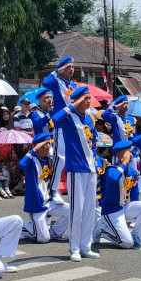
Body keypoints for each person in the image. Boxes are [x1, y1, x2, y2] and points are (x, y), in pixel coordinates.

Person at [52, 86, 98, 261]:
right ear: (77, 100)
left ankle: (86, 246)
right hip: (75, 168)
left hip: (90, 168)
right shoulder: (69, 117)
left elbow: (93, 143)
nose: (88, 101)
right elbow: (55, 119)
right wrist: (72, 105)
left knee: (89, 209)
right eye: (85, 98)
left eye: (89, 98)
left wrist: (95, 162)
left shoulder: (91, 119)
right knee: (76, 209)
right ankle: (74, 248)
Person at [94, 140, 141, 249]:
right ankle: (101, 228)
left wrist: (135, 216)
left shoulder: (133, 172)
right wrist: (124, 163)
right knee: (127, 243)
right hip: (110, 211)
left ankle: (137, 236)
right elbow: (113, 179)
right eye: (127, 152)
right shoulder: (111, 169)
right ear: (119, 154)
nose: (131, 154)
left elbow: (135, 197)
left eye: (131, 151)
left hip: (123, 207)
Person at [19, 133, 69, 243]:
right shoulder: (31, 160)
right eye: (45, 144)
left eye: (49, 143)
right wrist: (33, 149)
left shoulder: (49, 159)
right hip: (37, 205)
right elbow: (21, 165)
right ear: (38, 146)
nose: (48, 146)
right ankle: (20, 225)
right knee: (43, 239)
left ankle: (54, 233)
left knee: (71, 211)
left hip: (50, 202)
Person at [42, 57, 77, 209]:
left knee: (72, 157)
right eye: (68, 67)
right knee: (60, 157)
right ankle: (53, 189)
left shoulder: (72, 84)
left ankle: (71, 187)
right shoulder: (56, 81)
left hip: (73, 124)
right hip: (61, 124)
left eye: (73, 67)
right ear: (62, 69)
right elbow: (45, 83)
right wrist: (57, 71)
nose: (71, 69)